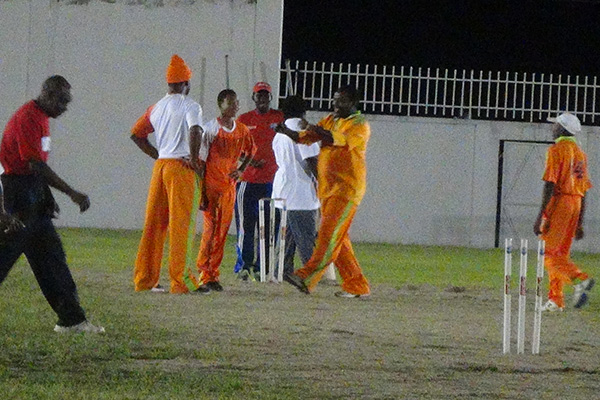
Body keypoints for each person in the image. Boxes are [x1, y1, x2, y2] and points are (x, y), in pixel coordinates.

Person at [0, 75, 105, 333]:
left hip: (29, 191)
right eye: (61, 101)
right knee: (5, 255)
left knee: (51, 257)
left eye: (67, 102)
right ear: (46, 94)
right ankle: (72, 318)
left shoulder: (42, 118)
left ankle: (72, 319)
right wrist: (71, 192)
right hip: (16, 195)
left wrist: (44, 195)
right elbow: (34, 164)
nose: (65, 107)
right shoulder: (28, 118)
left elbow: (35, 166)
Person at [277, 85, 370, 298]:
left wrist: (314, 129)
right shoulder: (330, 120)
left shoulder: (359, 125)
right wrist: (287, 132)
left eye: (341, 100)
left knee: (327, 236)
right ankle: (357, 285)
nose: (335, 104)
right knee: (339, 239)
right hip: (327, 189)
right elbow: (307, 137)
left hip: (346, 190)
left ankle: (306, 276)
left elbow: (337, 140)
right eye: (334, 99)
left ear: (353, 103)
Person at [131, 54, 206, 294]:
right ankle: (181, 281)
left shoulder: (155, 107)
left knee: (154, 225)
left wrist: (158, 155)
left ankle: (145, 279)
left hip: (161, 167)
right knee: (181, 225)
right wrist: (194, 158)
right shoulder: (190, 105)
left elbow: (136, 134)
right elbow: (195, 129)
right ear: (186, 83)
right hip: (181, 169)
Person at [533, 112, 595, 311]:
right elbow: (584, 190)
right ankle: (556, 299)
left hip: (561, 203)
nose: (552, 128)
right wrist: (580, 222)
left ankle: (580, 278)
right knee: (560, 254)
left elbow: (549, 184)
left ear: (562, 128)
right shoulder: (580, 154)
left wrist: (540, 215)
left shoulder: (556, 150)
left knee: (549, 254)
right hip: (576, 203)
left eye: (555, 125)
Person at [196, 89, 256, 291]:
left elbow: (251, 151)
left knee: (221, 233)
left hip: (229, 189)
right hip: (212, 187)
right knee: (210, 231)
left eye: (236, 102)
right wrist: (201, 192)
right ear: (220, 105)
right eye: (230, 102)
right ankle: (204, 273)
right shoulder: (210, 129)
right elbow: (201, 162)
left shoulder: (242, 130)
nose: (234, 106)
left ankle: (213, 274)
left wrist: (241, 170)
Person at [234, 82, 284, 280]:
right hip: (248, 181)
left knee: (270, 227)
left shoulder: (279, 117)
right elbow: (235, 147)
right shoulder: (244, 120)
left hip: (273, 182)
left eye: (265, 95)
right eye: (259, 95)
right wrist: (250, 161)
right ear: (253, 97)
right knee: (246, 225)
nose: (262, 99)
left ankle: (263, 267)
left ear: (270, 98)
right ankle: (244, 266)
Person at [272, 95, 320, 278]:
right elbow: (311, 160)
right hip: (301, 193)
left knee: (287, 236)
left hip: (283, 190)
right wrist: (323, 183)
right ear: (303, 111)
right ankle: (312, 275)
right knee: (307, 238)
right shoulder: (302, 130)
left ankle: (281, 271)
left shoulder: (279, 133)